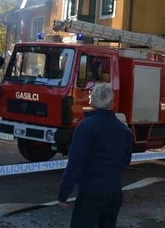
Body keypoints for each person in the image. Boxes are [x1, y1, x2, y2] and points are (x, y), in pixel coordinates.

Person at [57, 84, 134, 228]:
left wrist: (63, 193)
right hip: (115, 193)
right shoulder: (125, 131)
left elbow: (75, 164)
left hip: (90, 193)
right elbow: (126, 161)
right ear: (111, 103)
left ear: (90, 101)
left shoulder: (86, 126)